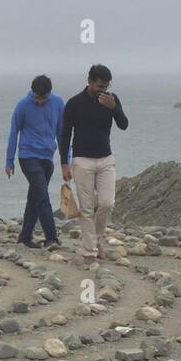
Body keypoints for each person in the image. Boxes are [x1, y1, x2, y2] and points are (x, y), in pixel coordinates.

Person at [59, 63, 128, 267]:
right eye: (99, 86)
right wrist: (64, 163)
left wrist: (114, 108)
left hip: (106, 159)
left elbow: (124, 125)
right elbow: (65, 134)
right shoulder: (74, 103)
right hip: (82, 160)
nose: (102, 90)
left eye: (106, 86)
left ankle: (96, 239)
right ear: (89, 81)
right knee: (87, 208)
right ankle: (89, 250)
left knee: (107, 203)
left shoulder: (112, 100)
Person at [5, 74, 65, 250]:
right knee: (43, 197)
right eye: (37, 97)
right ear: (32, 92)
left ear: (49, 93)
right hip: (28, 156)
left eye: (43, 97)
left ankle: (24, 238)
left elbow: (61, 132)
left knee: (35, 198)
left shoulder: (58, 103)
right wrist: (9, 161)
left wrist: (65, 160)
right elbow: (13, 132)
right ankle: (51, 238)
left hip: (47, 157)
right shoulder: (23, 105)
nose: (40, 101)